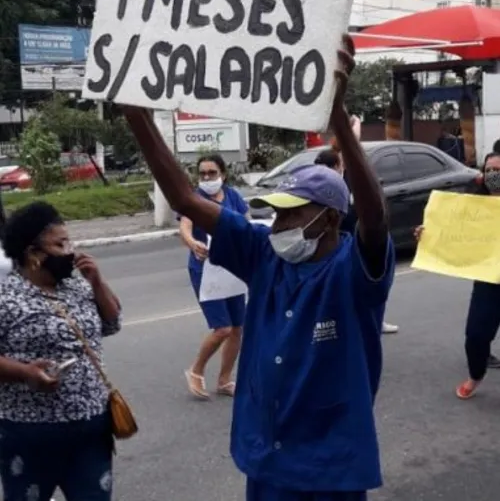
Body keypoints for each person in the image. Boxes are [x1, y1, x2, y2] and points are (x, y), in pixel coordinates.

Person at [124, 34, 395, 501]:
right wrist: (138, 119)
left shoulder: (354, 270)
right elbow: (185, 199)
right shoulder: (262, 251)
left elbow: (373, 215)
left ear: (329, 217)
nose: (279, 222)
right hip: (267, 458)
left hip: (331, 464)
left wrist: (336, 114)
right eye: (276, 211)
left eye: (291, 212)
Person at [0, 201, 121, 501]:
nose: (70, 250)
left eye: (69, 241)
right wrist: (25, 373)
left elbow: (113, 322)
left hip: (91, 430)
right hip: (30, 436)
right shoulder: (6, 297)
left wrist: (96, 281)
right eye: (60, 243)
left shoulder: (76, 286)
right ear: (33, 255)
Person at [415, 151, 500, 400]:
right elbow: (450, 230)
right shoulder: (472, 204)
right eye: (490, 170)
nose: (494, 175)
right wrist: (427, 234)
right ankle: (476, 375)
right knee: (475, 334)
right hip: (489, 281)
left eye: (499, 169)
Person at [180, 153, 248, 399]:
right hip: (205, 269)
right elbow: (185, 228)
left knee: (238, 327)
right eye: (203, 174)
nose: (207, 178)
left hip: (232, 268)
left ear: (223, 174)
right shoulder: (194, 199)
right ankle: (195, 370)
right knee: (223, 328)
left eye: (212, 173)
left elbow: (244, 223)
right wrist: (192, 243)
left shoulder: (232, 197)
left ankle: (224, 380)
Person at [315, 148, 399, 336]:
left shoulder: (353, 182)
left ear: (338, 166)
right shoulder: (319, 186)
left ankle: (376, 320)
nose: (325, 174)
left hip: (360, 244)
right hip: (337, 246)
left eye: (329, 168)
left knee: (375, 283)